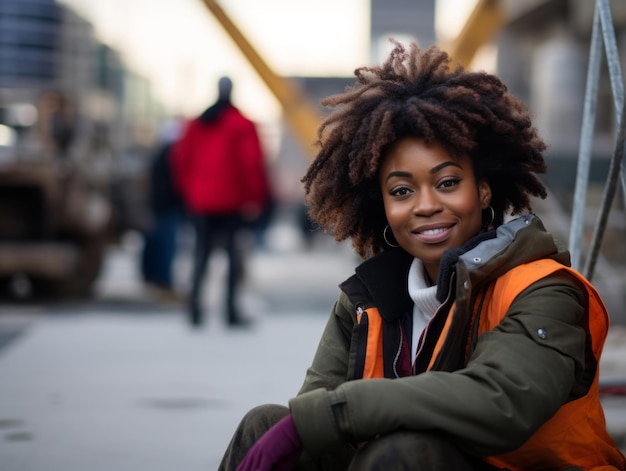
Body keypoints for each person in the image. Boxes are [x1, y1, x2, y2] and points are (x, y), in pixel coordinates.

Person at [219, 41, 626, 470]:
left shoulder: (541, 288)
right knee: (264, 426)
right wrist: (310, 425)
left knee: (404, 453)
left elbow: (503, 401)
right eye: (401, 191)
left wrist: (336, 414)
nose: (425, 204)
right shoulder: (365, 303)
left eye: (447, 182)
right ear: (382, 204)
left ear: (483, 188)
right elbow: (321, 432)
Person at [171, 76, 271, 328]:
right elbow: (252, 165)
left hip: (201, 202)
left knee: (200, 256)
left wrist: (190, 193)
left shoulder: (196, 124)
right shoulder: (243, 124)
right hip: (232, 203)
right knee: (233, 258)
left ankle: (195, 312)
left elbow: (181, 161)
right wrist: (254, 199)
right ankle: (230, 313)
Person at [140, 118, 184, 300]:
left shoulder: (160, 155)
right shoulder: (169, 156)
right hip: (167, 208)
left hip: (160, 207)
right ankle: (164, 282)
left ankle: (155, 278)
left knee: (158, 244)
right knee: (166, 246)